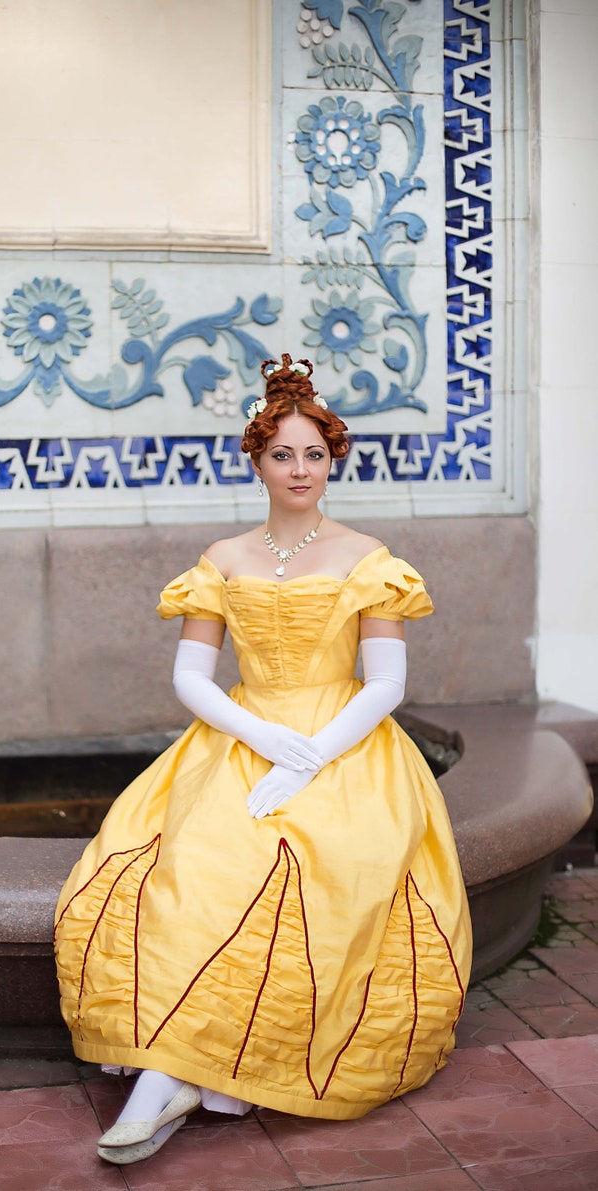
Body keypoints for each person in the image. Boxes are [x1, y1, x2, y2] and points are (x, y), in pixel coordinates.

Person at [53, 353, 472, 1166]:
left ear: (332, 459)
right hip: (242, 737)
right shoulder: (227, 556)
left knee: (308, 881)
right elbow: (188, 675)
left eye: (315, 453)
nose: (300, 468)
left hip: (344, 744)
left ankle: (180, 1083)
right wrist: (259, 735)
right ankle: (175, 1078)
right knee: (186, 873)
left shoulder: (365, 556)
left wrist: (310, 752)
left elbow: (386, 681)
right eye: (283, 453)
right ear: (257, 460)